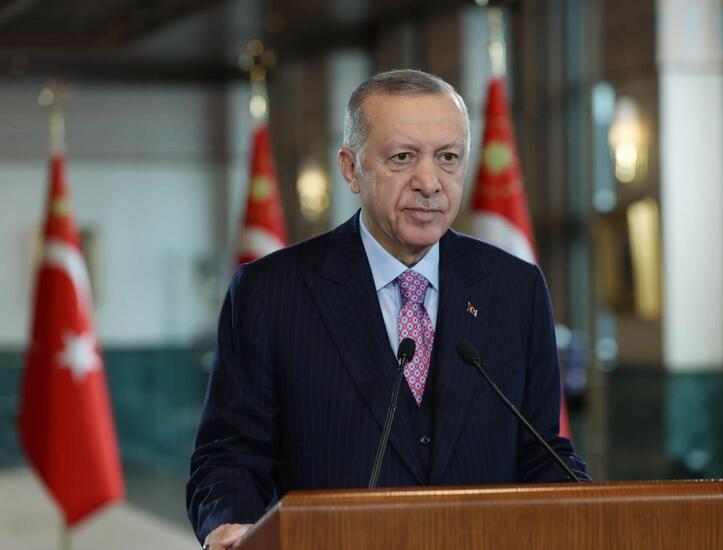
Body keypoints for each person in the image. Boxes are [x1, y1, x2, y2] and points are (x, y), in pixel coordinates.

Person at [187, 69, 588, 549]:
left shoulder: (515, 288)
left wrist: (592, 516)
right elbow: (231, 454)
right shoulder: (270, 292)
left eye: (448, 157)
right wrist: (229, 524)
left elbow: (542, 451)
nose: (429, 182)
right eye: (403, 157)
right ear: (351, 169)